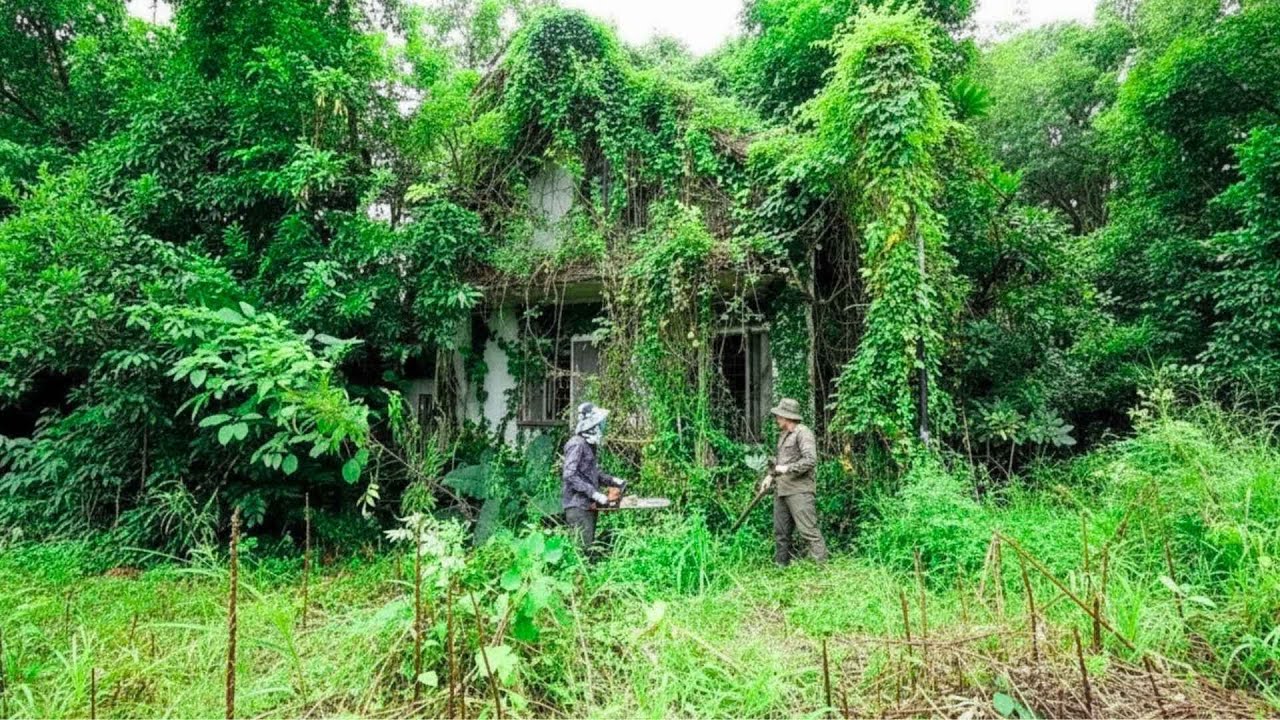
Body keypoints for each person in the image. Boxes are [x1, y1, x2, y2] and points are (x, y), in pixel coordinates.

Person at [757, 398, 828, 565]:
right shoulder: (783, 436)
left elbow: (810, 460)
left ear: (787, 417)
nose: (777, 419)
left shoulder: (803, 433)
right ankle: (781, 565)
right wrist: (769, 476)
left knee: (808, 530)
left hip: (799, 491)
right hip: (781, 490)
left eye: (779, 416)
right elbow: (779, 463)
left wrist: (787, 469)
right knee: (781, 532)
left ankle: (822, 568)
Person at [561, 402, 625, 555]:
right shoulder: (577, 444)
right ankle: (580, 577)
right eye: (599, 424)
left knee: (588, 547)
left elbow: (592, 472)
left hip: (588, 505)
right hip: (577, 506)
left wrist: (613, 481)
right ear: (592, 425)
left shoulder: (589, 445)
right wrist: (594, 493)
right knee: (582, 551)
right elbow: (569, 474)